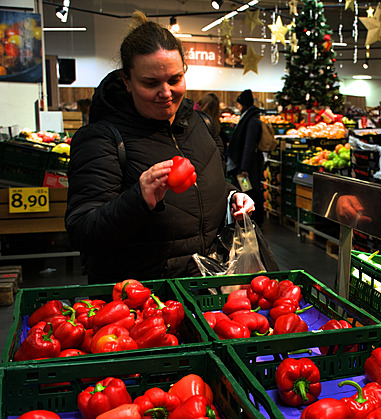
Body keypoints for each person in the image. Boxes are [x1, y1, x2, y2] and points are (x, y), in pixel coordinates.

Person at [64, 11, 255, 284]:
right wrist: (138, 199)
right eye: (150, 83)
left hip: (206, 288)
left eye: (174, 80)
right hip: (140, 304)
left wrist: (233, 197)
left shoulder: (202, 125)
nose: (166, 92)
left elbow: (210, 186)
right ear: (127, 82)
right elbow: (82, 231)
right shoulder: (101, 138)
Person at [227, 89, 265, 225]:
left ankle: (253, 221)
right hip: (247, 164)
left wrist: (244, 168)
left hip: (248, 167)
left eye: (239, 104)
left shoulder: (252, 120)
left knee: (249, 190)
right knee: (248, 190)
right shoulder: (248, 118)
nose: (238, 107)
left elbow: (249, 145)